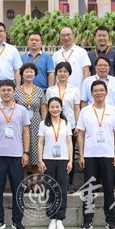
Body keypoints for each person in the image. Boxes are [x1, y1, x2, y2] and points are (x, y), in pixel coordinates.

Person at [76, 80, 115, 229]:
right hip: (90, 155)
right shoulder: (85, 111)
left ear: (106, 93)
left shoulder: (113, 110)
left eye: (101, 90)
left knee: (109, 188)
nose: (99, 93)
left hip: (108, 155)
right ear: (91, 93)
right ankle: (87, 220)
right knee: (89, 188)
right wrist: (81, 155)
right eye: (95, 91)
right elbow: (81, 134)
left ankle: (111, 220)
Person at [0, 80, 30, 229]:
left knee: (18, 189)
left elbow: (26, 132)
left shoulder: (22, 110)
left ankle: (17, 220)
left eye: (9, 90)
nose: (6, 93)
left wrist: (26, 152)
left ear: (14, 92)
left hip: (17, 155)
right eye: (3, 90)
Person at [37, 97, 73, 229]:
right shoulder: (43, 124)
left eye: (57, 106)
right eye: (52, 107)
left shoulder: (66, 123)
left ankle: (60, 219)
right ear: (48, 108)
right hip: (48, 159)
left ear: (61, 108)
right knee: (50, 189)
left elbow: (69, 143)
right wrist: (40, 160)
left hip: (63, 159)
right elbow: (40, 143)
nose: (55, 109)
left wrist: (70, 160)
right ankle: (52, 217)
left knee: (62, 190)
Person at [46, 61, 80, 193]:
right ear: (56, 73)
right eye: (60, 71)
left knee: (69, 155)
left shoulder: (74, 90)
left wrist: (77, 125)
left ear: (69, 73)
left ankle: (68, 183)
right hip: (53, 127)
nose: (62, 74)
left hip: (69, 126)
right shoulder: (50, 90)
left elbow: (76, 108)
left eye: (65, 71)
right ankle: (54, 182)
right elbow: (47, 108)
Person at [14, 63, 47, 183]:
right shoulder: (16, 91)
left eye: (31, 72)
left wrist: (44, 124)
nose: (29, 74)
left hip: (36, 124)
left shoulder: (39, 91)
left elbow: (43, 109)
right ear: (22, 74)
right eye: (26, 72)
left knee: (35, 154)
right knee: (22, 153)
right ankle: (23, 183)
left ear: (35, 74)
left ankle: (35, 183)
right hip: (21, 125)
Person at [52, 26, 91, 95]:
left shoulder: (82, 52)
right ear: (60, 37)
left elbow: (86, 72)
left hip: (77, 92)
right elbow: (53, 74)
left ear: (73, 36)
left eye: (68, 35)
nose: (66, 37)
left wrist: (84, 91)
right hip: (59, 93)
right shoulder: (56, 55)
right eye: (63, 35)